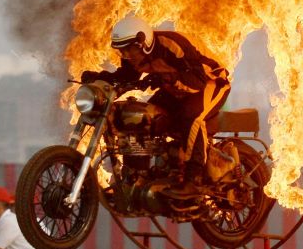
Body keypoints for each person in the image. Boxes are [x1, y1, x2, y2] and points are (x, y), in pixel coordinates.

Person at [81, 13, 232, 197]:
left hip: (211, 82)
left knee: (190, 116)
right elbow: (126, 77)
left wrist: (168, 76)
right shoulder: (130, 56)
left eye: (129, 49)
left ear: (142, 43)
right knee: (143, 118)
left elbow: (198, 81)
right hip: (174, 87)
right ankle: (137, 177)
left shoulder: (171, 45)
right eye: (121, 51)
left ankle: (194, 179)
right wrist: (98, 78)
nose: (126, 55)